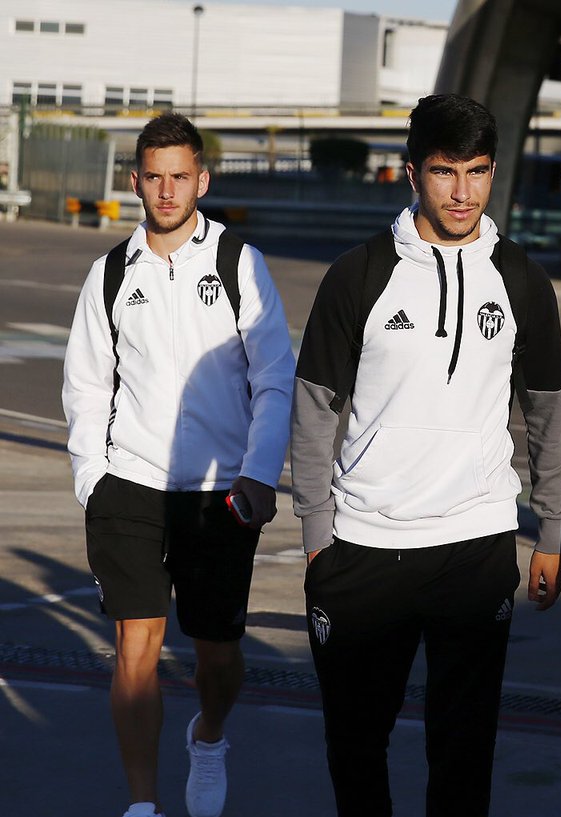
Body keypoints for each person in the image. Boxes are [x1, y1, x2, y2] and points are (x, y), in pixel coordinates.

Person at [291, 94, 561, 817]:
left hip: (476, 543)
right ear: (412, 172)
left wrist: (550, 529)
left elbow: (547, 413)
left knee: (465, 752)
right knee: (356, 745)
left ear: (493, 172)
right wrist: (317, 534)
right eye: (445, 171)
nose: (462, 191)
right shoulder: (358, 274)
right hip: (363, 544)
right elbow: (315, 409)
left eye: (477, 171)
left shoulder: (521, 279)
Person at [62, 113, 294, 817]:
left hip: (218, 493)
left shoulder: (238, 262)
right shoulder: (110, 273)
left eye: (180, 177)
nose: (167, 191)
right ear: (135, 182)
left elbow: (275, 377)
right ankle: (143, 804)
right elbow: (86, 384)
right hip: (129, 487)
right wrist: (92, 479)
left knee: (217, 655)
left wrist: (258, 473)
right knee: (136, 644)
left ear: (203, 180)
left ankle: (209, 734)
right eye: (155, 177)